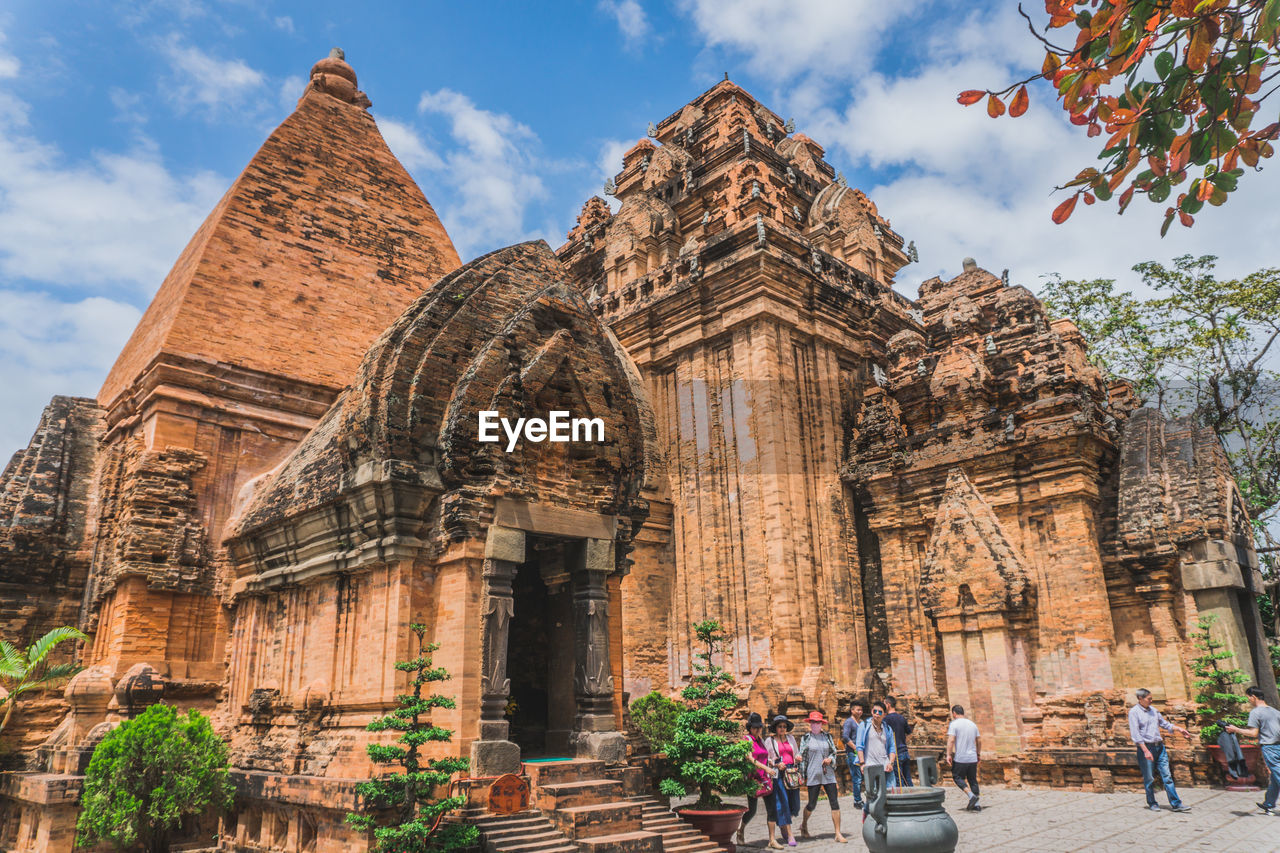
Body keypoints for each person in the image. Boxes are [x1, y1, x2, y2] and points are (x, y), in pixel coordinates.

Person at [1128, 687, 1193, 812]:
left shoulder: (1154, 710)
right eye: (1149, 699)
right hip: (1146, 748)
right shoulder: (1134, 712)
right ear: (1140, 699)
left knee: (1167, 776)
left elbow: (1164, 724)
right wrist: (1145, 751)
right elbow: (1135, 734)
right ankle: (1152, 802)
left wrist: (1179, 729)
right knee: (1149, 778)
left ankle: (1176, 804)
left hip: (1159, 747)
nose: (1151, 701)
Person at [1225, 685, 1280, 815]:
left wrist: (1235, 729)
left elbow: (1254, 733)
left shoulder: (1256, 712)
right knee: (1275, 777)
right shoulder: (1275, 711)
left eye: (1248, 698)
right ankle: (1268, 804)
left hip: (1270, 748)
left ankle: (1269, 804)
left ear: (1253, 697)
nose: (1248, 700)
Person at [798, 711, 847, 843]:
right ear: (810, 723)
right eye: (813, 722)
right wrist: (801, 773)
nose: (815, 724)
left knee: (834, 802)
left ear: (821, 724)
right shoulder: (806, 738)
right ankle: (804, 824)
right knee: (812, 804)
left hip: (828, 773)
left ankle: (837, 833)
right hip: (813, 773)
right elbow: (801, 756)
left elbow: (834, 752)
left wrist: (830, 759)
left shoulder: (827, 736)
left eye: (818, 722)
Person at [739, 712, 780, 847]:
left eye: (759, 727)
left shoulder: (761, 740)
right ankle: (741, 830)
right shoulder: (747, 740)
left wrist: (772, 764)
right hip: (753, 779)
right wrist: (766, 768)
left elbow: (765, 756)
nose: (757, 730)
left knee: (771, 809)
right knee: (752, 810)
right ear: (750, 727)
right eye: (755, 727)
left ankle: (772, 839)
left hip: (765, 779)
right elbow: (750, 759)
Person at [765, 714, 801, 848]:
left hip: (792, 773)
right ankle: (790, 833)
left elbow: (796, 752)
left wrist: (798, 758)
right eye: (780, 726)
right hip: (779, 774)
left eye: (784, 726)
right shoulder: (770, 741)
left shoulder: (791, 738)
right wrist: (775, 764)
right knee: (783, 802)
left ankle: (783, 824)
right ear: (775, 728)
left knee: (794, 804)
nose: (782, 729)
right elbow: (767, 759)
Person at [856, 701, 898, 809]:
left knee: (891, 793)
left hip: (885, 765)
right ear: (871, 712)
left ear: (884, 714)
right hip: (871, 765)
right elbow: (859, 746)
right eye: (875, 711)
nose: (877, 714)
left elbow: (892, 748)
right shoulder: (864, 726)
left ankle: (890, 818)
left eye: (880, 712)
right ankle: (868, 819)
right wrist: (862, 763)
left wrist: (891, 762)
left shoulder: (887, 728)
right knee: (873, 796)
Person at [946, 705, 982, 811]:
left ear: (954, 713)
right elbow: (979, 740)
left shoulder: (954, 724)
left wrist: (948, 754)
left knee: (957, 777)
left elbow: (951, 740)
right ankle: (977, 804)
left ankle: (971, 795)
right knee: (973, 780)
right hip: (972, 757)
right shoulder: (972, 724)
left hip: (961, 757)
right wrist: (978, 754)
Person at [841, 703, 868, 809]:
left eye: (861, 710)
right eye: (858, 710)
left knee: (862, 776)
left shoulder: (861, 722)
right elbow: (845, 737)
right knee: (856, 778)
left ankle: (864, 798)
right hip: (853, 754)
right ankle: (857, 800)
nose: (860, 712)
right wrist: (856, 748)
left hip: (861, 753)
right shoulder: (849, 722)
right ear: (852, 711)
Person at [883, 696, 914, 786]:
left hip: (895, 753)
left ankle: (902, 799)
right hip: (904, 751)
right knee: (907, 778)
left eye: (884, 704)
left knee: (898, 781)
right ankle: (913, 797)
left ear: (888, 705)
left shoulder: (886, 720)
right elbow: (909, 733)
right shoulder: (901, 718)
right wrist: (904, 742)